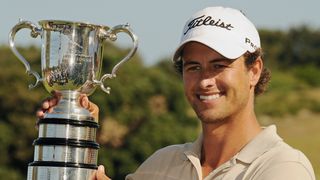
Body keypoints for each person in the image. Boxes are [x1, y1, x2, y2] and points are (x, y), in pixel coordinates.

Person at [37, 6, 316, 180]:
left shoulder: (284, 167)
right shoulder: (161, 164)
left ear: (254, 70)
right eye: (193, 67)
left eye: (219, 66)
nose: (205, 80)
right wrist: (73, 128)